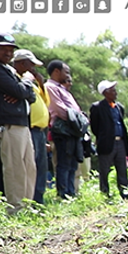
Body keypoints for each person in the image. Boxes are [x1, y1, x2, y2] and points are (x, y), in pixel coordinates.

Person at [0, 33, 37, 212]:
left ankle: (26, 206)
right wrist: (25, 84)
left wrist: (22, 90)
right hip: (7, 124)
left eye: (11, 49)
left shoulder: (7, 70)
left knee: (29, 167)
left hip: (21, 123)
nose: (8, 52)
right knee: (15, 167)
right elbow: (20, 92)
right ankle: (16, 208)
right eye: (3, 48)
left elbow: (31, 96)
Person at [12, 49, 50, 204]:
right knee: (30, 167)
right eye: (31, 64)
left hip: (40, 131)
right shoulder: (16, 80)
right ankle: (29, 201)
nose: (33, 69)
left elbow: (46, 102)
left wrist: (40, 83)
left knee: (41, 167)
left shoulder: (31, 83)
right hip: (29, 129)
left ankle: (38, 201)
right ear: (21, 63)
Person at [46, 60, 84, 199]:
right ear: (56, 71)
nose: (68, 75)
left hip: (72, 129)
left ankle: (71, 192)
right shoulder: (50, 87)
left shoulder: (61, 88)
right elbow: (59, 109)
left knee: (73, 163)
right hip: (63, 129)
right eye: (65, 72)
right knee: (64, 163)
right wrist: (76, 118)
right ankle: (63, 194)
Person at [90, 80, 128, 199]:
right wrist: (103, 137)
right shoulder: (97, 107)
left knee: (122, 170)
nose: (115, 93)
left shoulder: (119, 107)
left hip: (120, 142)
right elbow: (95, 127)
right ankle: (105, 194)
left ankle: (125, 193)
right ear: (106, 92)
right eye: (113, 90)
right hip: (107, 144)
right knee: (104, 170)